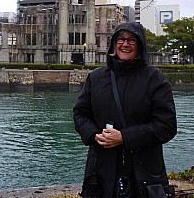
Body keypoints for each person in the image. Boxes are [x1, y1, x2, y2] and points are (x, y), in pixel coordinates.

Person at [73, 22, 177, 198]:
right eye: (120, 39)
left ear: (140, 45)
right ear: (114, 43)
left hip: (143, 174)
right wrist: (93, 134)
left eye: (132, 40)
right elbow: (80, 114)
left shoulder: (154, 79)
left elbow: (166, 126)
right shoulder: (96, 78)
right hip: (100, 171)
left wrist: (124, 137)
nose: (125, 44)